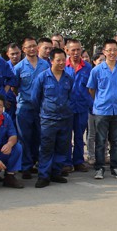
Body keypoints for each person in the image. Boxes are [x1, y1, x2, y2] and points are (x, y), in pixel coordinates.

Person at [87, 39, 117, 180]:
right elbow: (92, 89)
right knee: (100, 141)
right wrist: (102, 100)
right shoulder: (97, 70)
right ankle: (99, 168)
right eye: (109, 50)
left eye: (114, 50)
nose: (112, 53)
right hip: (101, 111)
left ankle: (115, 168)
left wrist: (115, 98)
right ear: (104, 52)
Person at [32, 48, 74, 188]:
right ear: (51, 61)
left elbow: (71, 97)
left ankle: (56, 172)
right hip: (48, 119)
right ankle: (44, 176)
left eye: (63, 60)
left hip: (65, 118)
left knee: (62, 147)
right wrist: (44, 112)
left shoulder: (68, 78)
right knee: (46, 148)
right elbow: (35, 98)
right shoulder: (42, 77)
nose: (62, 63)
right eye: (58, 60)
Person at [14, 37, 49, 177]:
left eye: (34, 46)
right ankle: (26, 166)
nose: (32, 49)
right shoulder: (19, 67)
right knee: (24, 137)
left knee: (39, 136)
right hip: (25, 107)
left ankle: (37, 162)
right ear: (24, 49)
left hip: (41, 107)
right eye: (28, 47)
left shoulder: (45, 65)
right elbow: (14, 87)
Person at [64, 39, 92, 173]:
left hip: (82, 106)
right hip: (66, 107)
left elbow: (91, 88)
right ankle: (67, 162)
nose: (76, 53)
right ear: (67, 50)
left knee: (80, 136)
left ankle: (79, 161)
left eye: (78, 50)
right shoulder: (62, 66)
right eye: (73, 50)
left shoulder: (87, 67)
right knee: (66, 136)